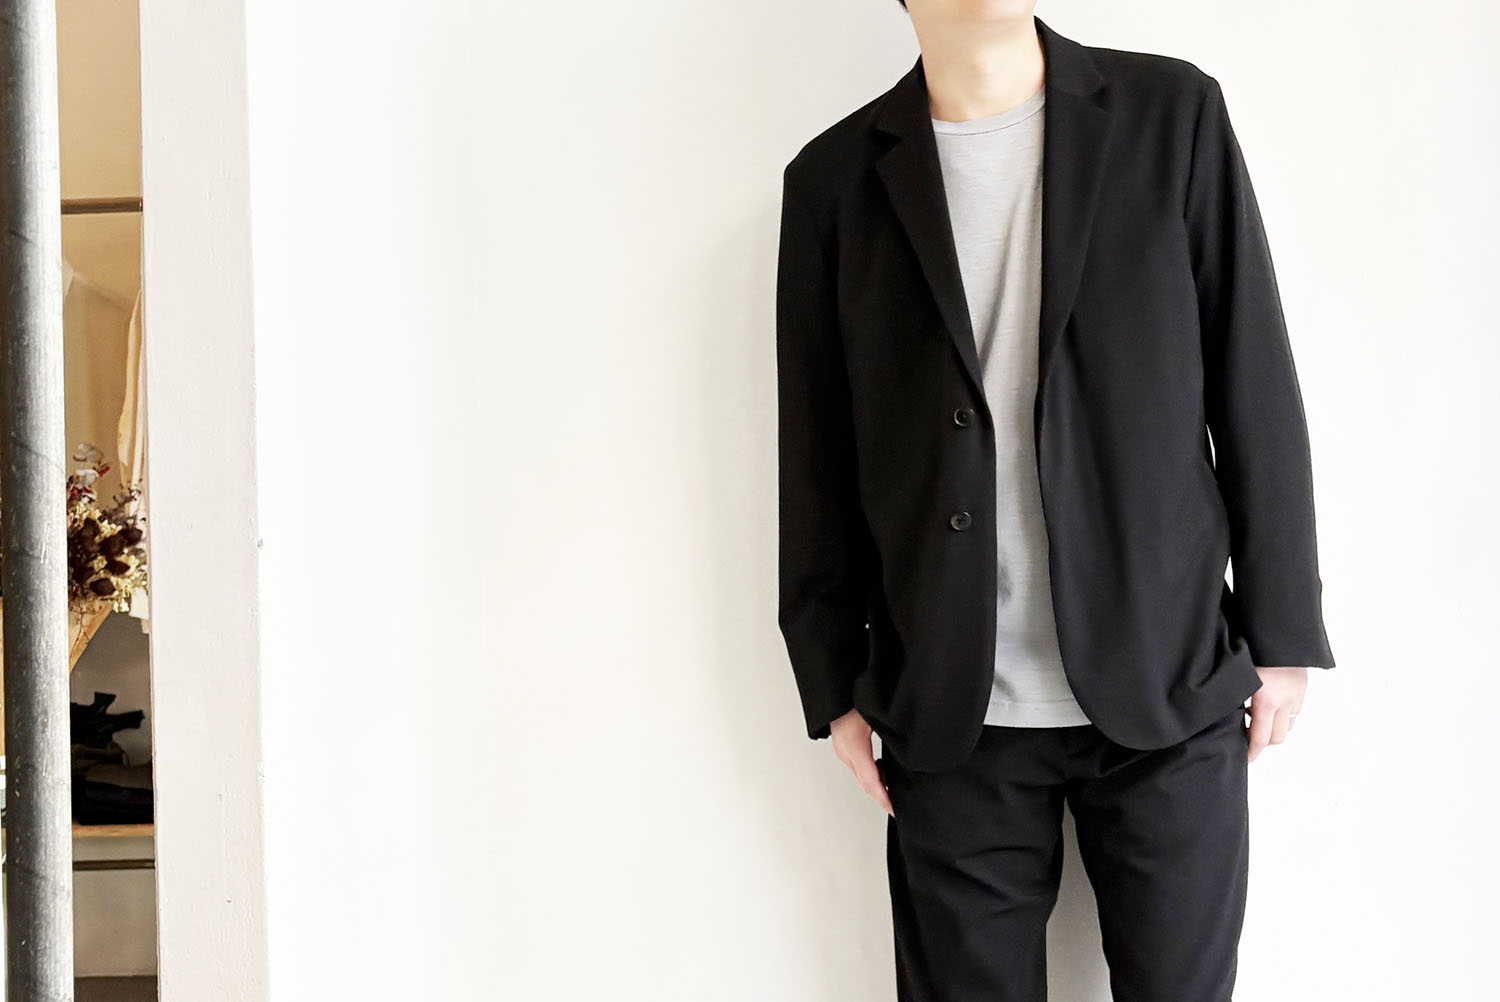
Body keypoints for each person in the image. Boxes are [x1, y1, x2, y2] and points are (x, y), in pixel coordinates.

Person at [774, 5, 1335, 1000]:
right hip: (949, 709)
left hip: (1169, 685)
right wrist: (832, 681)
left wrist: (1283, 628)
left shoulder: (1171, 115)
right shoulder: (834, 182)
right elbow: (816, 450)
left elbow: (1251, 373)